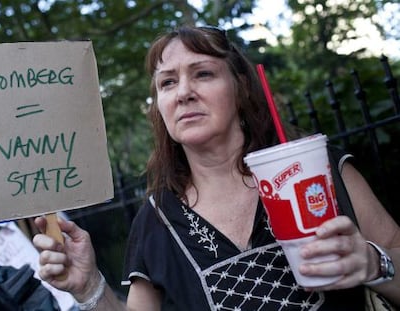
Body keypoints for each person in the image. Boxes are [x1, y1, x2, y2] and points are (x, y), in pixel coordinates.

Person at [32, 25, 400, 310]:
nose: (183, 92)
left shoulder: (322, 172)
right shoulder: (156, 220)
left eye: (203, 73)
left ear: (240, 87)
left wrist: (375, 266)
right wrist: (89, 287)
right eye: (168, 82)